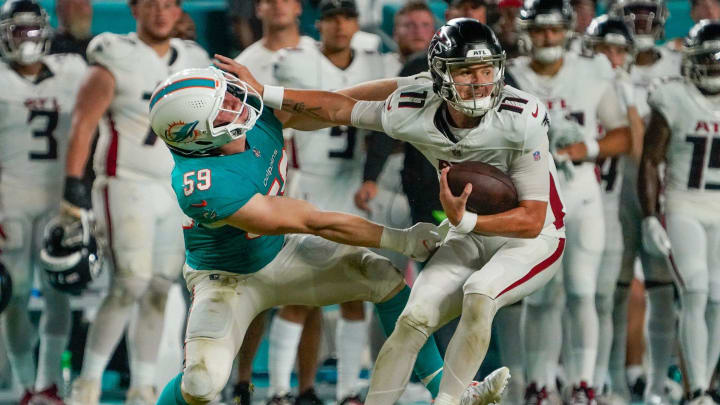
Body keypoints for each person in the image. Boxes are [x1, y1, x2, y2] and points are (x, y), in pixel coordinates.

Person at [150, 64, 507, 405]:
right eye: (223, 108)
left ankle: (451, 394)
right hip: (225, 280)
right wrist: (400, 239)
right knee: (200, 385)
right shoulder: (201, 184)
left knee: (384, 277)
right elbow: (312, 221)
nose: (236, 104)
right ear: (196, 137)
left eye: (229, 95)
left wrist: (411, 86)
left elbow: (338, 101)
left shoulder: (254, 117)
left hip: (278, 253)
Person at [61, 0, 210, 403]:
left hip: (175, 188)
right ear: (134, 10)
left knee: (161, 287)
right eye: (151, 5)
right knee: (129, 283)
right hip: (125, 182)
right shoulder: (114, 53)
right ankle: (87, 382)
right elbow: (83, 122)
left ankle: (143, 385)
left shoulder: (194, 59)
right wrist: (73, 186)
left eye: (168, 5)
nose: (161, 13)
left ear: (179, 10)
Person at [269, 1, 399, 404]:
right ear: (319, 23)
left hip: (354, 187)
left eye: (347, 17)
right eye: (332, 17)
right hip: (307, 185)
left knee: (354, 292)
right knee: (296, 292)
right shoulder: (295, 61)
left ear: (356, 23)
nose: (340, 26)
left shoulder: (378, 63)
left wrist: (371, 178)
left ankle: (348, 389)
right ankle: (277, 389)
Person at [507, 0, 633, 402]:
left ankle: (583, 383)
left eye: (554, 29)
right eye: (541, 29)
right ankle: (539, 383)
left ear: (567, 32)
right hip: (532, 194)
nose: (548, 37)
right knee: (541, 295)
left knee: (582, 291)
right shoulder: (510, 75)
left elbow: (623, 134)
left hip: (580, 192)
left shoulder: (591, 71)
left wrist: (587, 147)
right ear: (528, 32)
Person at [0, 0, 86, 403]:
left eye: (33, 31)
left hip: (58, 201)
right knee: (12, 294)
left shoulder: (72, 71)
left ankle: (48, 382)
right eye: (19, 32)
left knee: (57, 292)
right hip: (8, 201)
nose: (27, 40)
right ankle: (22, 383)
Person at [639, 19, 720, 405]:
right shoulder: (673, 96)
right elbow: (650, 161)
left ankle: (703, 384)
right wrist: (651, 214)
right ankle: (698, 389)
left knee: (719, 297)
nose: (716, 66)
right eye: (709, 59)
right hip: (684, 203)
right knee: (696, 289)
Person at [609, 0, 682, 401]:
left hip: (661, 184)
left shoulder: (678, 64)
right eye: (632, 9)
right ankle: (614, 381)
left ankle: (655, 383)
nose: (640, 19)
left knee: (661, 287)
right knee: (614, 288)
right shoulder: (603, 58)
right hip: (614, 186)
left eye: (647, 9)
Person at [581, 14, 645, 403]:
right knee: (564, 297)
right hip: (566, 203)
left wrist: (628, 100)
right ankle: (555, 379)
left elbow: (637, 150)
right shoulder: (574, 80)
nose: (610, 56)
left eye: (618, 50)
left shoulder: (625, 87)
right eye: (604, 48)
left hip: (607, 205)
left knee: (602, 298)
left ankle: (598, 379)